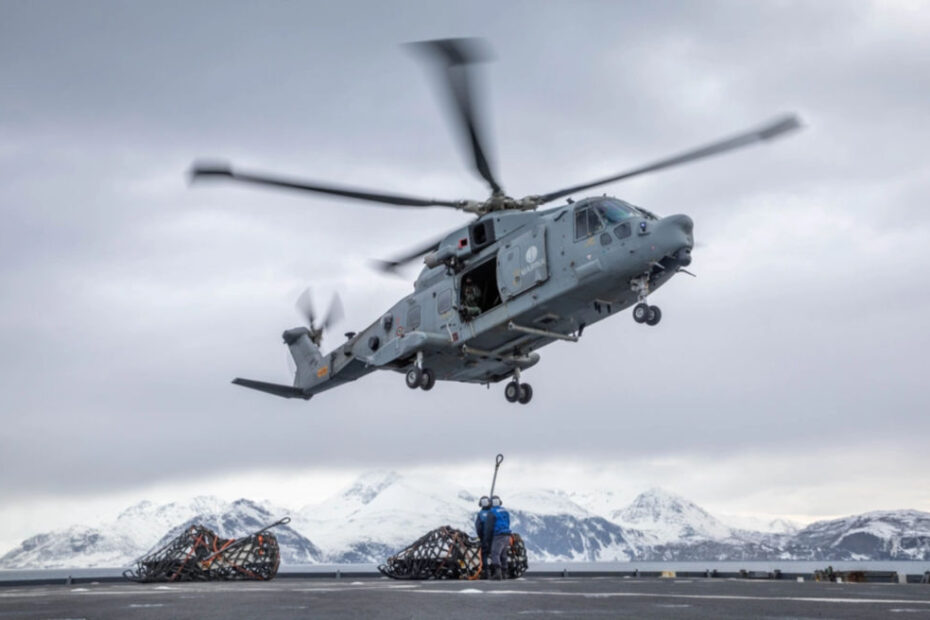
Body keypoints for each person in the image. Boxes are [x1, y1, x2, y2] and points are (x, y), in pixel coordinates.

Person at [483, 495, 511, 580]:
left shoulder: (491, 512)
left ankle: (497, 573)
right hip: (507, 535)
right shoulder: (505, 511)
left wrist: (487, 539)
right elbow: (508, 522)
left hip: (498, 535)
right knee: (503, 554)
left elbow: (489, 527)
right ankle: (504, 573)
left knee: (495, 553)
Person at [474, 496, 492, 577]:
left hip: (485, 537)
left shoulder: (480, 514)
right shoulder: (493, 512)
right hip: (496, 536)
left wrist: (481, 537)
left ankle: (486, 570)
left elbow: (478, 527)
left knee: (484, 553)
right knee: (496, 553)